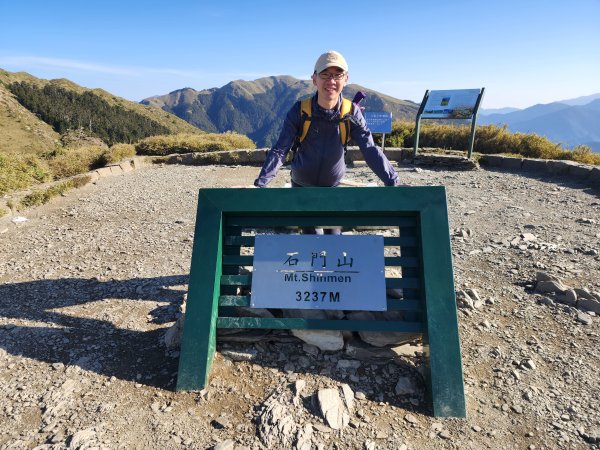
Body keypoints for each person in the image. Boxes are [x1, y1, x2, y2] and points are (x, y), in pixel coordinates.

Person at [252, 50, 401, 234]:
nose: (331, 81)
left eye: (337, 75)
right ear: (314, 79)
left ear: (346, 79)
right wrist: (260, 184)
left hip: (333, 188)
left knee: (333, 243)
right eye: (325, 75)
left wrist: (393, 182)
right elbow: (280, 150)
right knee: (311, 240)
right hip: (302, 187)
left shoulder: (351, 113)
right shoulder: (300, 111)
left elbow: (369, 149)